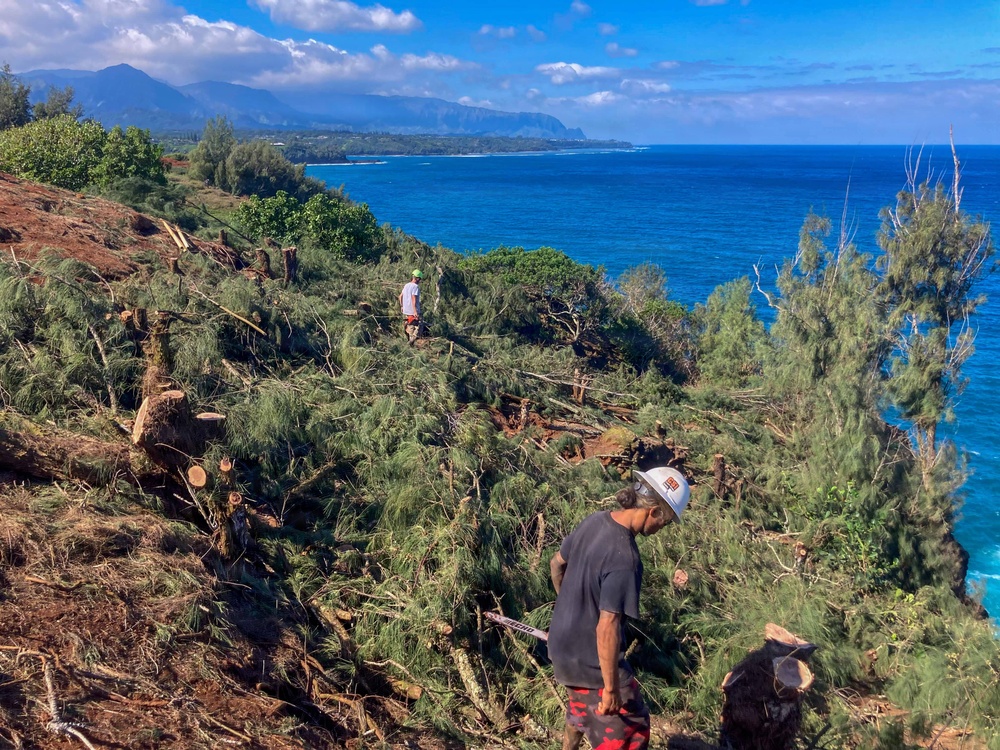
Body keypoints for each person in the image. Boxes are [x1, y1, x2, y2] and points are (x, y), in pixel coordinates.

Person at [548, 466, 691, 750]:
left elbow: (556, 564)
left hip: (560, 650)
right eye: (666, 522)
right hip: (590, 662)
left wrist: (570, 611)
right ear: (655, 512)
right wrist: (611, 689)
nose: (663, 528)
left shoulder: (594, 521)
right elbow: (607, 626)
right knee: (634, 728)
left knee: (581, 703)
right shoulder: (626, 558)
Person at [399, 269, 423, 344]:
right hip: (413, 312)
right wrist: (415, 311)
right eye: (419, 279)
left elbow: (400, 296)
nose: (420, 281)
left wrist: (402, 306)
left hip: (406, 311)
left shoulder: (406, 285)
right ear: (417, 278)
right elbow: (414, 299)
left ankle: (409, 342)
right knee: (418, 327)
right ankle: (410, 344)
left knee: (409, 327)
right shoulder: (415, 287)